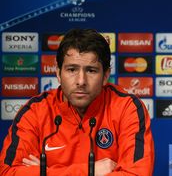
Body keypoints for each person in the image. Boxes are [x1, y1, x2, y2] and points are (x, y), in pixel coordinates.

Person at [0, 28, 155, 175]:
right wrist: (90, 171)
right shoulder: (35, 111)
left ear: (106, 76)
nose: (81, 81)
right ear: (58, 73)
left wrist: (47, 172)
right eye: (72, 69)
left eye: (91, 70)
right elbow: (6, 172)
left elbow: (137, 173)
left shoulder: (127, 108)